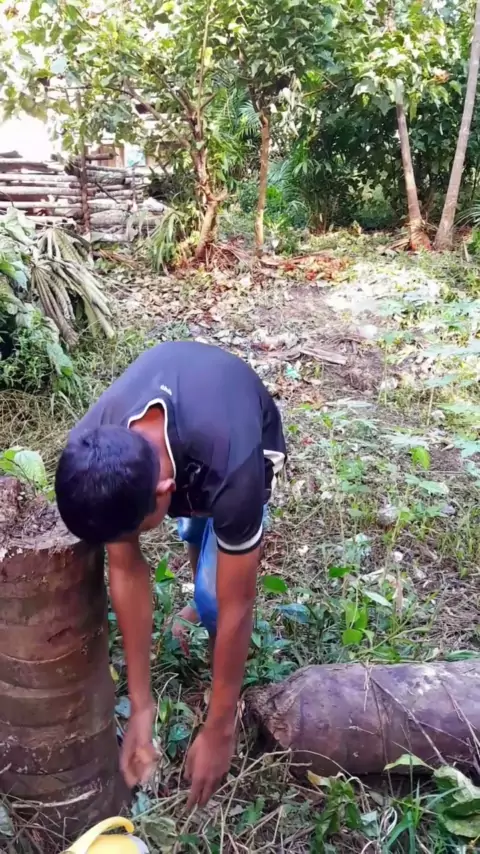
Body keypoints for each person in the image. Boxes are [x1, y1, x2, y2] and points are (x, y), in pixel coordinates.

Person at [55, 341, 286, 809]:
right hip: (187, 431)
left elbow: (239, 604)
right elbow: (126, 568)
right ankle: (199, 559)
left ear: (165, 490)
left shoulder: (234, 469)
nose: (127, 545)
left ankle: (208, 620)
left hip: (242, 421)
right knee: (194, 530)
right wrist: (141, 705)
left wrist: (219, 727)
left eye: (136, 531)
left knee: (215, 599)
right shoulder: (94, 447)